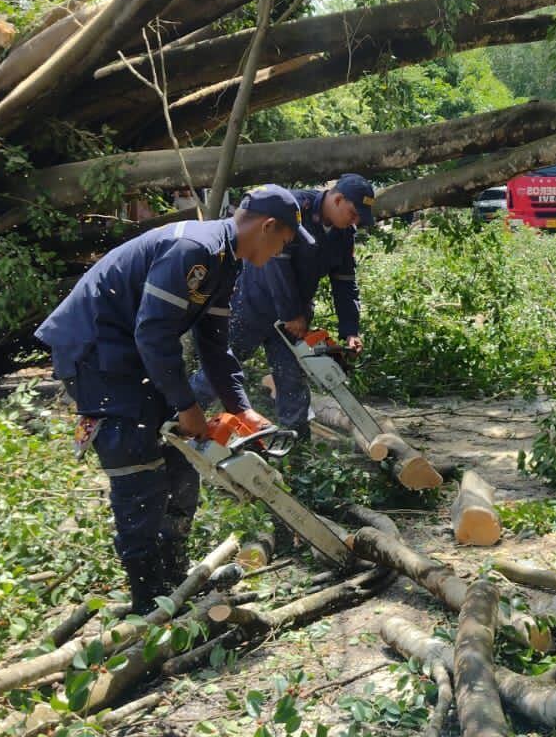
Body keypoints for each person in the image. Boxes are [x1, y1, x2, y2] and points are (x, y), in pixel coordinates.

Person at [35, 186, 314, 612]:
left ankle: (173, 578)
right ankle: (148, 597)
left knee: (181, 461)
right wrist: (187, 406)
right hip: (96, 350)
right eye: (283, 242)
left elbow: (215, 346)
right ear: (268, 226)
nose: (281, 251)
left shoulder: (226, 262)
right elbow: (153, 332)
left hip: (133, 352)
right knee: (138, 462)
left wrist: (241, 409)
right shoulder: (194, 249)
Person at [191, 175, 376, 437]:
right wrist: (290, 313)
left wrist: (350, 330)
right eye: (353, 213)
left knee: (292, 379)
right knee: (221, 367)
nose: (354, 221)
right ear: (337, 199)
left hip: (296, 315)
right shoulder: (294, 208)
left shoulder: (344, 234)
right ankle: (181, 419)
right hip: (253, 303)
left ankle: (296, 444)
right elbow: (275, 264)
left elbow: (345, 282)